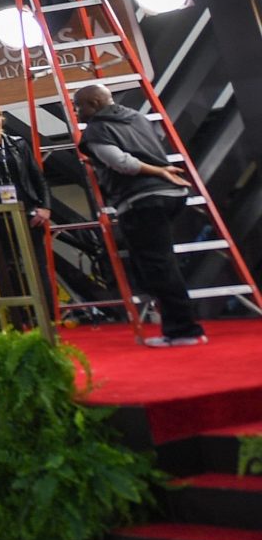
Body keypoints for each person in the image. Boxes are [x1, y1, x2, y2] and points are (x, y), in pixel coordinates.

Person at [75, 83, 202, 346]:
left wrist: (159, 171)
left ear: (95, 105)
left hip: (142, 199)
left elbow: (123, 163)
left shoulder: (97, 130)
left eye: (80, 106)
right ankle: (181, 325)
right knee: (161, 264)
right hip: (169, 196)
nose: (77, 112)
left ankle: (183, 331)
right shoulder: (138, 117)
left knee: (158, 268)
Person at [0, 100, 52, 313]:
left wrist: (45, 207)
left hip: (27, 210)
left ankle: (47, 313)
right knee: (6, 265)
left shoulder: (18, 144)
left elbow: (37, 178)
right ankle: (18, 314)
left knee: (37, 263)